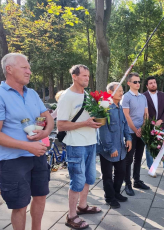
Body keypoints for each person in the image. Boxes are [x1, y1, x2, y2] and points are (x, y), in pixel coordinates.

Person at [0, 53, 54, 230]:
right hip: (12, 160)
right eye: (24, 67)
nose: (29, 71)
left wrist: (44, 132)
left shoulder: (32, 94)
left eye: (29, 68)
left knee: (40, 196)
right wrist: (27, 146)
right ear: (9, 69)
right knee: (20, 205)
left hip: (37, 154)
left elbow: (48, 118)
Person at [57, 64, 102, 229]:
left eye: (88, 76)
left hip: (91, 143)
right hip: (75, 145)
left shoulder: (88, 96)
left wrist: (101, 118)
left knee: (89, 178)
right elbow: (61, 125)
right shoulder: (67, 97)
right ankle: (71, 216)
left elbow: (92, 117)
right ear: (74, 76)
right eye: (84, 76)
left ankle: (82, 206)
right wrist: (85, 123)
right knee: (77, 181)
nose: (87, 78)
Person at [97, 82, 132, 209]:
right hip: (108, 149)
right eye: (119, 91)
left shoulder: (120, 107)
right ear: (111, 92)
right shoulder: (104, 107)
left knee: (121, 172)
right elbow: (103, 130)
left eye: (122, 90)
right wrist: (110, 147)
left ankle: (116, 193)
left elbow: (125, 125)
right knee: (107, 175)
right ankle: (109, 197)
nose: (122, 93)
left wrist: (128, 138)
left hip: (121, 147)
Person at [143, 77, 164, 180]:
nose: (153, 84)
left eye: (154, 82)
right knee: (149, 148)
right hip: (149, 127)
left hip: (161, 126)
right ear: (147, 85)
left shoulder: (162, 95)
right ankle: (151, 169)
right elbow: (143, 111)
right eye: (150, 83)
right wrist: (152, 123)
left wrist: (161, 120)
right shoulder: (143, 96)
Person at [121, 72, 150, 196]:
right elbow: (126, 116)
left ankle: (136, 180)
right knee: (129, 159)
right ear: (129, 83)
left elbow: (146, 114)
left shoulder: (143, 97)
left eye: (139, 81)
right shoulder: (126, 97)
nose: (138, 84)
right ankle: (127, 183)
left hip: (141, 132)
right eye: (135, 82)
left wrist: (142, 128)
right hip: (130, 133)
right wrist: (135, 130)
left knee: (138, 157)